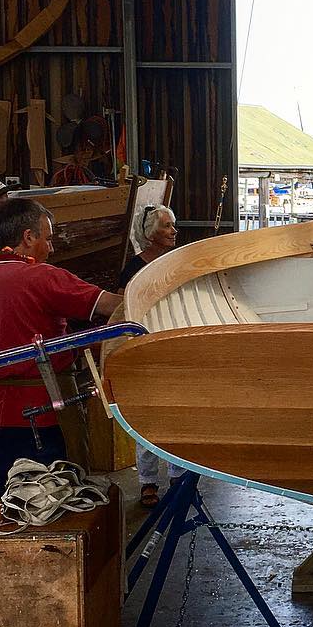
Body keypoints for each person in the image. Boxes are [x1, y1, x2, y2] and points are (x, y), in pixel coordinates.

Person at [0, 197, 122, 528]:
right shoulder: (43, 277)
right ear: (28, 237)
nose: (51, 248)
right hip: (48, 416)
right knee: (56, 511)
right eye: (48, 238)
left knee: (5, 514)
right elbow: (113, 306)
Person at [119, 204, 182, 507]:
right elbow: (122, 307)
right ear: (150, 233)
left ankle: (179, 475)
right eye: (167, 226)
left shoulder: (177, 262)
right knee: (147, 419)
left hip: (173, 344)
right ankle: (148, 481)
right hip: (145, 345)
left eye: (173, 226)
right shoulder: (134, 267)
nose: (174, 231)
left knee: (178, 416)